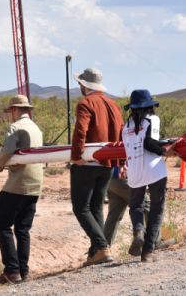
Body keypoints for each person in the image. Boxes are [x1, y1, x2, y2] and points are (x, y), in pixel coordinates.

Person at [70, 67, 124, 266]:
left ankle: (101, 247)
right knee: (96, 207)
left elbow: (81, 129)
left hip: (87, 164)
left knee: (81, 207)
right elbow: (121, 133)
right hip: (108, 164)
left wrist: (76, 155)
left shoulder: (85, 103)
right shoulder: (114, 105)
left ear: (84, 85)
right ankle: (96, 253)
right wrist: (120, 161)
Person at [0, 95, 44, 285]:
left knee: (3, 224)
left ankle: (12, 271)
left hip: (17, 183)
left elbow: (7, 150)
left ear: (14, 110)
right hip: (35, 184)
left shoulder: (15, 127)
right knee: (23, 229)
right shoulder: (36, 128)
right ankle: (23, 271)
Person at [122, 89, 173, 262]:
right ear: (149, 106)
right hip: (154, 170)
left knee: (135, 206)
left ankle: (138, 230)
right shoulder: (153, 119)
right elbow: (149, 143)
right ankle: (148, 252)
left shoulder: (126, 126)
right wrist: (165, 152)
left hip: (134, 171)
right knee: (156, 210)